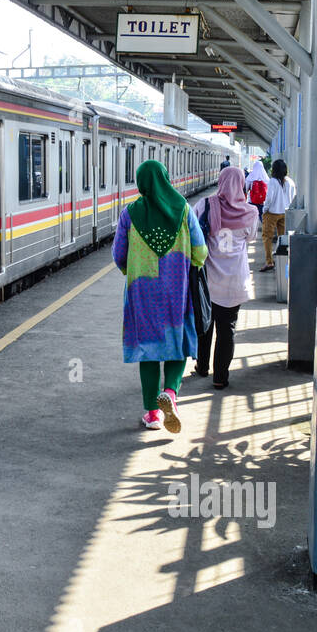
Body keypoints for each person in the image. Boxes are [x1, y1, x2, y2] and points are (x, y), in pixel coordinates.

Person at [113, 160, 207, 432]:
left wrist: (132, 269)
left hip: (142, 292)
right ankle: (172, 394)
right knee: (176, 342)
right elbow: (200, 252)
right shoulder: (184, 210)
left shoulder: (129, 214)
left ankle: (153, 414)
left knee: (148, 349)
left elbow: (119, 255)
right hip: (177, 291)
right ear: (165, 179)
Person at [195, 166, 258, 389]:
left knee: (205, 326)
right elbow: (250, 238)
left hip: (209, 280)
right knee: (227, 329)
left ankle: (202, 366)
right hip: (234, 282)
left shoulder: (204, 205)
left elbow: (194, 233)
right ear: (242, 184)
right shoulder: (250, 213)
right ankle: (220, 378)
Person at [259, 159, 296, 272]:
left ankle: (269, 262)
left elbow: (269, 198)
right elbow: (294, 197)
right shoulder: (290, 182)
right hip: (285, 213)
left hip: (272, 213)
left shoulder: (273, 182)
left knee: (267, 237)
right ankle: (283, 261)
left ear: (274, 170)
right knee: (283, 238)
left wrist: (264, 209)